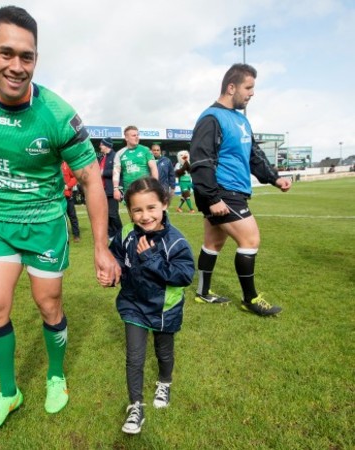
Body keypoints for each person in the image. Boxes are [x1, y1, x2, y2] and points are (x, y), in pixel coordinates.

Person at [0, 5, 121, 434]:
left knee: (48, 305)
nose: (16, 65)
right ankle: (9, 393)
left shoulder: (58, 113)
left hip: (45, 223)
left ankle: (55, 374)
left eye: (27, 56)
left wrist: (101, 247)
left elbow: (90, 180)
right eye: (7, 53)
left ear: (36, 60)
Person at [189, 63, 292, 316]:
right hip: (223, 192)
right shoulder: (211, 118)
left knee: (213, 242)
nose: (252, 93)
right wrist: (212, 198)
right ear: (231, 87)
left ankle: (203, 293)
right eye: (248, 87)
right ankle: (250, 299)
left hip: (229, 192)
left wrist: (275, 178)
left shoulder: (241, 119)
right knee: (250, 239)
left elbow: (253, 155)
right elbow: (201, 160)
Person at [109, 177, 194, 434]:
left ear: (164, 205)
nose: (145, 216)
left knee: (163, 352)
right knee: (134, 358)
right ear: (129, 211)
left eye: (151, 208)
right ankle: (136, 406)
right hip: (133, 304)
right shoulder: (125, 233)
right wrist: (111, 273)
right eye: (137, 209)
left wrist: (151, 258)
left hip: (164, 309)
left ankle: (164, 383)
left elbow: (184, 276)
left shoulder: (176, 242)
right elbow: (117, 257)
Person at [112, 126, 158, 202]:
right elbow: (116, 172)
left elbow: (154, 168)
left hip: (145, 188)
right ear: (126, 138)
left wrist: (155, 185)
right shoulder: (119, 154)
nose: (137, 137)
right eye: (133, 135)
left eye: (137, 135)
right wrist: (116, 189)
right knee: (133, 213)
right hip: (129, 190)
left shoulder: (145, 150)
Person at [99, 137, 122, 240]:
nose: (100, 146)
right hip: (103, 190)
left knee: (113, 214)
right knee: (105, 214)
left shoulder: (115, 156)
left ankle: (120, 232)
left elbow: (116, 171)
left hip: (111, 190)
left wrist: (102, 173)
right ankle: (111, 234)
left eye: (101, 144)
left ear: (107, 145)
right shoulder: (102, 157)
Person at [61, 161, 80, 242]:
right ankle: (63, 236)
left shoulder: (66, 164)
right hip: (57, 197)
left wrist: (68, 185)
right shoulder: (52, 164)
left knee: (72, 216)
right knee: (61, 217)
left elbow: (75, 177)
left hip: (68, 196)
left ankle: (76, 235)